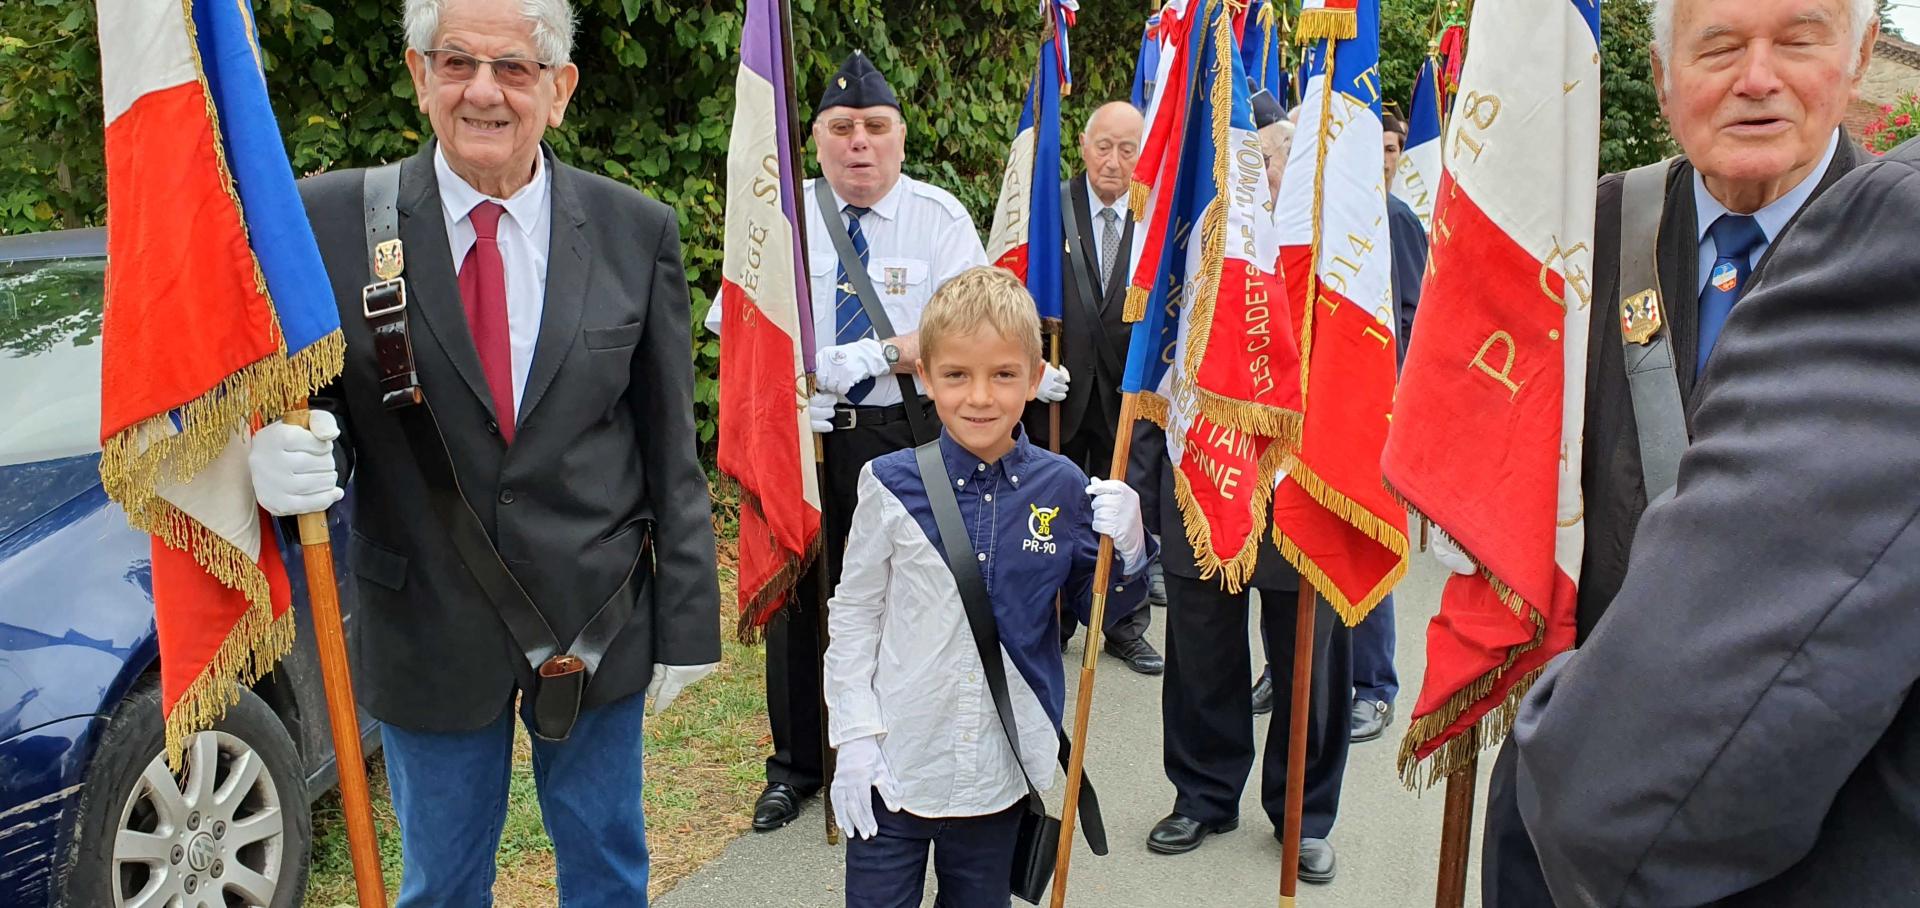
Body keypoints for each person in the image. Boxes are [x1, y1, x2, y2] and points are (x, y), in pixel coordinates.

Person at [249, 0, 720, 903]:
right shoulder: (334, 221)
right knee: (442, 883)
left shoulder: (636, 230)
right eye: (456, 62)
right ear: (419, 74)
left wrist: (689, 619)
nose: (483, 92)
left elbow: (669, 449)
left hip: (594, 620)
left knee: (609, 871)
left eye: (513, 68)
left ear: (559, 88)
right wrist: (274, 455)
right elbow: (313, 408)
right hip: (427, 618)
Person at [1472, 0, 1878, 902]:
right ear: (1663, 79)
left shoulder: (1902, 262)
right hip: (1583, 775)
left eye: (1798, 40)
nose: (1758, 78)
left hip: (1818, 823)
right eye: (1720, 47)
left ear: (1858, 59)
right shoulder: (1582, 235)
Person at [701, 51, 994, 833]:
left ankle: (897, 745)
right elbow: (733, 327)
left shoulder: (939, 217)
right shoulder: (782, 218)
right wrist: (790, 394)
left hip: (905, 434)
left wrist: (884, 353)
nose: (858, 142)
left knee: (906, 594)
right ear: (817, 137)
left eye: (874, 127)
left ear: (899, 137)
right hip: (804, 438)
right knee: (801, 595)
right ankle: (798, 765)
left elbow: (970, 327)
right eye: (840, 128)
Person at [823, 266, 1152, 907]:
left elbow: (1104, 616)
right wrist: (855, 735)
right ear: (925, 379)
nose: (980, 397)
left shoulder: (1061, 488)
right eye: (956, 375)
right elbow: (855, 613)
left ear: (1035, 378)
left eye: (1004, 375)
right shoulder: (888, 482)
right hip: (897, 761)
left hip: (1001, 768)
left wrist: (1132, 549)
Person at [1034, 100, 1164, 675]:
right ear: (1083, 146)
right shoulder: (1048, 209)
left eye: (1128, 149)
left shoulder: (1159, 216)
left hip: (1127, 395)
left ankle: (1124, 626)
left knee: (1125, 511)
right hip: (1058, 394)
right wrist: (1032, 367)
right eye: (1103, 146)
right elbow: (1013, 291)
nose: (1113, 161)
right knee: (1050, 509)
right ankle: (1053, 619)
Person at [1348, 112, 1428, 744]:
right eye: (1371, 145)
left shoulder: (1397, 219)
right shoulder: (1323, 214)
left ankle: (1373, 686)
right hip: (1314, 410)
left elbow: (1415, 316)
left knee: (1367, 539)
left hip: (1374, 410)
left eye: (1393, 147)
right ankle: (1293, 668)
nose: (1383, 157)